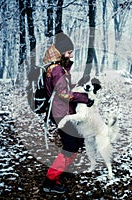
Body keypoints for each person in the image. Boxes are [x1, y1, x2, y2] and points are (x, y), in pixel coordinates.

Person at [42, 31, 93, 194]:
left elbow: (63, 88)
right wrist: (84, 98)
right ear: (61, 51)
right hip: (61, 113)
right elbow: (63, 93)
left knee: (76, 142)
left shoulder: (56, 66)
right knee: (71, 145)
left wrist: (68, 65)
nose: (71, 55)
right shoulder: (56, 69)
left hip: (62, 111)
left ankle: (58, 172)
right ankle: (50, 181)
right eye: (69, 52)